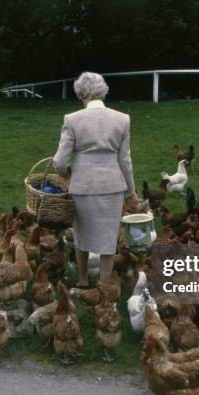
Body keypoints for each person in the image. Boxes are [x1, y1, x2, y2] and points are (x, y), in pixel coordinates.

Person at [53, 72, 138, 286]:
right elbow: (125, 161)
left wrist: (70, 175)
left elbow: (60, 163)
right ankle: (104, 286)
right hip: (113, 186)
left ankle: (82, 280)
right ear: (103, 91)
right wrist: (131, 194)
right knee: (108, 238)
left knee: (81, 235)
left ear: (81, 94)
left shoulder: (71, 120)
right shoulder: (123, 119)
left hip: (82, 185)